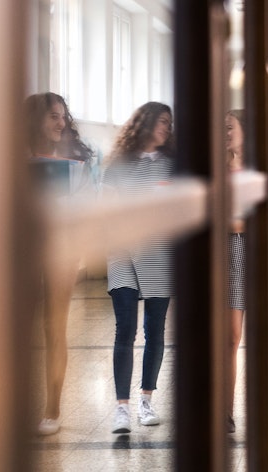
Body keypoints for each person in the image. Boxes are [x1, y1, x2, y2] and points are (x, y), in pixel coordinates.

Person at [102, 102, 175, 434]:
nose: (166, 128)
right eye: (161, 122)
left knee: (155, 330)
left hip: (159, 251)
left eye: (169, 124)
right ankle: (121, 408)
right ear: (143, 124)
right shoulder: (118, 164)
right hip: (121, 251)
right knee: (125, 328)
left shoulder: (174, 165)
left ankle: (146, 400)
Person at [25, 92, 94, 436]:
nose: (61, 122)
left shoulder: (76, 163)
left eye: (63, 116)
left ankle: (52, 410)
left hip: (62, 251)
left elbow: (86, 208)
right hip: (22, 253)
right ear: (35, 119)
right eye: (53, 116)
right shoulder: (13, 161)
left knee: (54, 330)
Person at [225, 110, 246, 435]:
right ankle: (224, 412)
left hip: (258, 254)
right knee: (229, 339)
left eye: (229, 127)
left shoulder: (263, 168)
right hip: (226, 254)